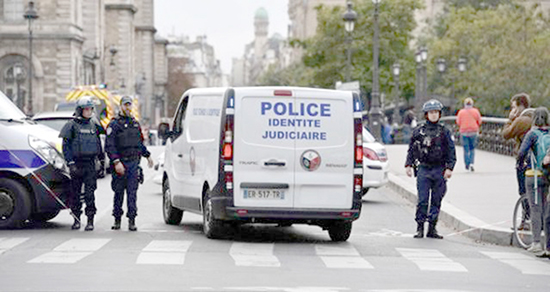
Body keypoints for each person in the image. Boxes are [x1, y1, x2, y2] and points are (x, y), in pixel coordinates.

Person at [405, 99, 456, 239]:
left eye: (436, 112)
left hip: (439, 169)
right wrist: (408, 164)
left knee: (436, 199)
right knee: (422, 200)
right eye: (431, 112)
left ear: (440, 114)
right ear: (426, 114)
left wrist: (450, 168)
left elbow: (451, 151)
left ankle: (432, 228)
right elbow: (411, 149)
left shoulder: (444, 131)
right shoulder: (419, 131)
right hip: (423, 168)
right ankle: (420, 227)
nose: (433, 115)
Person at [105, 96, 154, 231]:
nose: (128, 107)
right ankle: (117, 219)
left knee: (132, 194)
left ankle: (132, 220)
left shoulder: (135, 123)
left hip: (133, 163)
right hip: (120, 163)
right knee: (119, 193)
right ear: (120, 106)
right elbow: (109, 145)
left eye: (129, 105)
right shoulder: (114, 124)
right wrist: (116, 162)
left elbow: (139, 144)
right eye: (125, 105)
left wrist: (148, 156)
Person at [59, 96, 104, 231]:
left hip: (90, 164)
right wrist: (70, 163)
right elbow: (65, 146)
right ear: (80, 110)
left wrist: (101, 162)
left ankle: (90, 220)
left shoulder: (94, 124)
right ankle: (76, 219)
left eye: (91, 109)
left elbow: (98, 143)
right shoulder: (71, 125)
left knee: (90, 194)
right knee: (76, 194)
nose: (89, 112)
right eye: (86, 109)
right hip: (76, 164)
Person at [517, 107, 550, 255]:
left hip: (534, 175)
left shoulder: (532, 134)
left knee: (536, 208)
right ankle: (548, 245)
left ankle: (537, 243)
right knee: (547, 210)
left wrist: (520, 164)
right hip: (548, 175)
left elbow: (522, 153)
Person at [502, 93, 534, 229]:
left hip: (524, 159)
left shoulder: (521, 121)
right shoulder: (536, 118)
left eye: (513, 107)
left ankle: (526, 220)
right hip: (538, 159)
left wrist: (510, 119)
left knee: (524, 190)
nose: (512, 110)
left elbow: (506, 134)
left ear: (520, 106)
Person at [456, 97, 482, 172]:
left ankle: (467, 164)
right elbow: (479, 121)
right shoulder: (475, 111)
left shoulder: (461, 112)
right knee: (472, 148)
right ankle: (471, 163)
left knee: (466, 148)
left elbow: (458, 122)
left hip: (464, 131)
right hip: (473, 131)